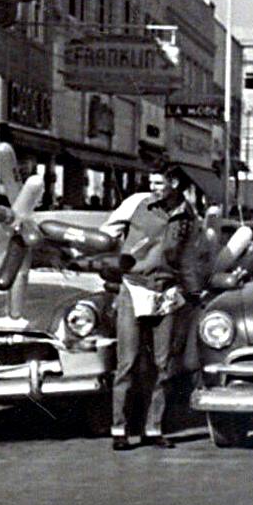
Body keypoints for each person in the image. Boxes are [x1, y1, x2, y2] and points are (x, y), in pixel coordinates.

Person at [102, 165, 201, 451]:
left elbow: (189, 256)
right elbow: (107, 235)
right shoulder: (135, 203)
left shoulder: (187, 214)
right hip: (134, 288)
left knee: (163, 365)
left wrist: (194, 292)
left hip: (166, 292)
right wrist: (112, 262)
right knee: (127, 362)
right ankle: (119, 430)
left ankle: (153, 428)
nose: (154, 187)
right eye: (151, 182)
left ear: (175, 183)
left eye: (159, 182)